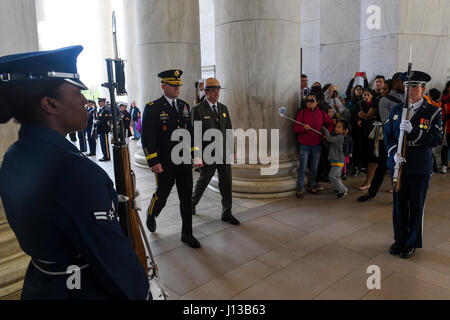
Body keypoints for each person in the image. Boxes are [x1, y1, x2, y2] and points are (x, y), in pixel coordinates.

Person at [0, 46, 149, 299]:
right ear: (50, 104)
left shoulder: (15, 154)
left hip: (43, 283)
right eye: (77, 91)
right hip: (80, 287)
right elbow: (113, 260)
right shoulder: (74, 171)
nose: (84, 99)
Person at [141, 69, 203, 248]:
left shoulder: (184, 105)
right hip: (165, 163)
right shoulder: (153, 107)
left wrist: (195, 154)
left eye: (178, 85)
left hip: (183, 162)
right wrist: (153, 161)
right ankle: (152, 214)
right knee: (162, 195)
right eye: (173, 86)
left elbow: (190, 133)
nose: (177, 89)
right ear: (164, 86)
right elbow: (148, 136)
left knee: (186, 198)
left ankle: (187, 233)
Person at [384, 70, 443, 259]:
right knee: (399, 206)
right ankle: (400, 240)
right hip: (399, 164)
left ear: (423, 89)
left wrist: (414, 130)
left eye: (415, 87)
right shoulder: (396, 110)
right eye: (408, 86)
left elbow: (436, 139)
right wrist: (394, 153)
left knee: (416, 206)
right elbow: (388, 135)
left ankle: (411, 243)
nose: (411, 90)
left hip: (420, 165)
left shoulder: (433, 111)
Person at [191, 78, 239, 225]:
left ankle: (227, 213)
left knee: (226, 183)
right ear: (206, 92)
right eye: (213, 90)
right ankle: (191, 204)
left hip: (224, 152)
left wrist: (232, 150)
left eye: (218, 90)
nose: (217, 93)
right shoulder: (198, 110)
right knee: (204, 181)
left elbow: (229, 130)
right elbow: (195, 135)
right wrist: (197, 155)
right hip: (208, 153)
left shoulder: (223, 108)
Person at [358, 76, 405, 202]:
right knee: (380, 163)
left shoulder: (401, 97)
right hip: (389, 136)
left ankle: (397, 194)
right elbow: (387, 121)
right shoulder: (383, 100)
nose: (381, 90)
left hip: (398, 136)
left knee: (394, 165)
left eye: (385, 88)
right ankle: (372, 191)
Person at [293, 93, 334, 198]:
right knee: (302, 167)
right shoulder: (302, 113)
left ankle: (311, 185)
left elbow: (330, 123)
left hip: (317, 144)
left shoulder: (321, 113)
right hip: (304, 145)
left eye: (312, 101)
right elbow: (295, 128)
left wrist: (326, 133)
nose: (309, 103)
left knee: (314, 167)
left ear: (317, 102)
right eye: (307, 101)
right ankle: (300, 188)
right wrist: (303, 128)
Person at [322, 120, 349, 199]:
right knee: (336, 176)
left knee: (332, 176)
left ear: (344, 130)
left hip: (339, 160)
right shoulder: (337, 137)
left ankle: (342, 190)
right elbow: (330, 139)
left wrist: (326, 131)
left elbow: (330, 139)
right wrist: (327, 136)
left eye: (339, 127)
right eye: (336, 127)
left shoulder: (340, 137)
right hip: (336, 160)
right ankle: (340, 188)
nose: (336, 128)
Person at [97, 97, 111, 161]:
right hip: (101, 129)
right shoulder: (100, 110)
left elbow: (105, 119)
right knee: (102, 143)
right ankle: (104, 155)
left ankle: (107, 156)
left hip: (104, 129)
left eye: (100, 102)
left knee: (105, 143)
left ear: (103, 102)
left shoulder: (106, 109)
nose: (99, 103)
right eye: (98, 102)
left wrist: (99, 121)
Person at [441, 100, 450, 173]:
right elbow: (442, 116)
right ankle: (444, 165)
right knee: (445, 148)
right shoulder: (446, 105)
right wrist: (445, 117)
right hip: (448, 131)